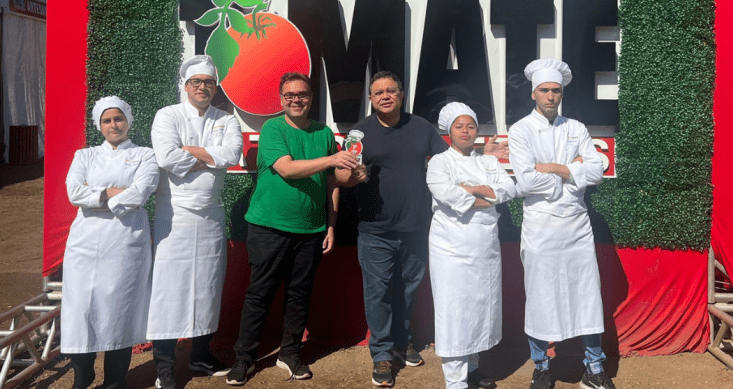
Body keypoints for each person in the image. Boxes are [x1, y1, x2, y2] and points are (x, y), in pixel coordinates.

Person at [336, 71, 508, 387]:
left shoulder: (420, 127)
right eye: (378, 92)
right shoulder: (360, 133)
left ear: (401, 95)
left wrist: (484, 158)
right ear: (371, 99)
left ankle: (402, 343)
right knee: (379, 294)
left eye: (391, 90)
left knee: (407, 290)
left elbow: (451, 163)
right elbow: (340, 175)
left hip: (416, 228)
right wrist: (353, 178)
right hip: (376, 230)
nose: (385, 96)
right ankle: (383, 355)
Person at [225, 72, 359, 385]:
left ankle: (290, 353)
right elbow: (286, 168)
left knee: (299, 295)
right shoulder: (273, 128)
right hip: (269, 226)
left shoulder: (324, 133)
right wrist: (331, 160)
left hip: (311, 229)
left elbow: (331, 184)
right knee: (260, 294)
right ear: (281, 99)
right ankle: (243, 359)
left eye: (302, 94)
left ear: (312, 98)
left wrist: (331, 224)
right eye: (290, 95)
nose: (296, 100)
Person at [507, 58, 616, 389]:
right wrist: (573, 170)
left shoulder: (577, 128)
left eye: (556, 90)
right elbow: (525, 183)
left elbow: (596, 172)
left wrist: (556, 169)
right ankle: (541, 365)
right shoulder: (520, 130)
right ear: (533, 94)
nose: (551, 96)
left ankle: (594, 368)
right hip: (539, 226)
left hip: (576, 226)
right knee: (540, 297)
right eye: (545, 90)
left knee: (587, 295)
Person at [148, 55, 243, 389]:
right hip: (173, 217)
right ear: (185, 85)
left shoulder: (225, 118)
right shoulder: (167, 115)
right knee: (167, 291)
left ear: (216, 87)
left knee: (208, 287)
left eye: (209, 82)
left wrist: (193, 151)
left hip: (211, 216)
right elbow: (167, 158)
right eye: (196, 82)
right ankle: (164, 367)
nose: (203, 88)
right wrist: (209, 155)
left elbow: (232, 155)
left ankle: (201, 357)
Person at [61, 96, 158, 389]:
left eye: (118, 119)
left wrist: (97, 196)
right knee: (81, 309)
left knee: (120, 309)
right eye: (107, 120)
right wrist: (113, 192)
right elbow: (74, 192)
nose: (113, 125)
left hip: (126, 242)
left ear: (128, 120)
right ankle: (83, 376)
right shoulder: (84, 156)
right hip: (84, 243)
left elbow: (141, 193)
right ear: (98, 125)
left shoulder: (146, 155)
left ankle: (115, 381)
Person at [426, 102, 518, 389]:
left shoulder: (488, 161)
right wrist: (482, 192)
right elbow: (445, 194)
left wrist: (468, 188)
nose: (465, 131)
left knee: (480, 309)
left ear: (477, 130)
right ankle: (455, 381)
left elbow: (509, 190)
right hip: (450, 250)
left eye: (470, 126)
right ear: (449, 132)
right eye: (459, 126)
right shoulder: (439, 162)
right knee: (454, 311)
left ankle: (474, 367)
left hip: (484, 247)